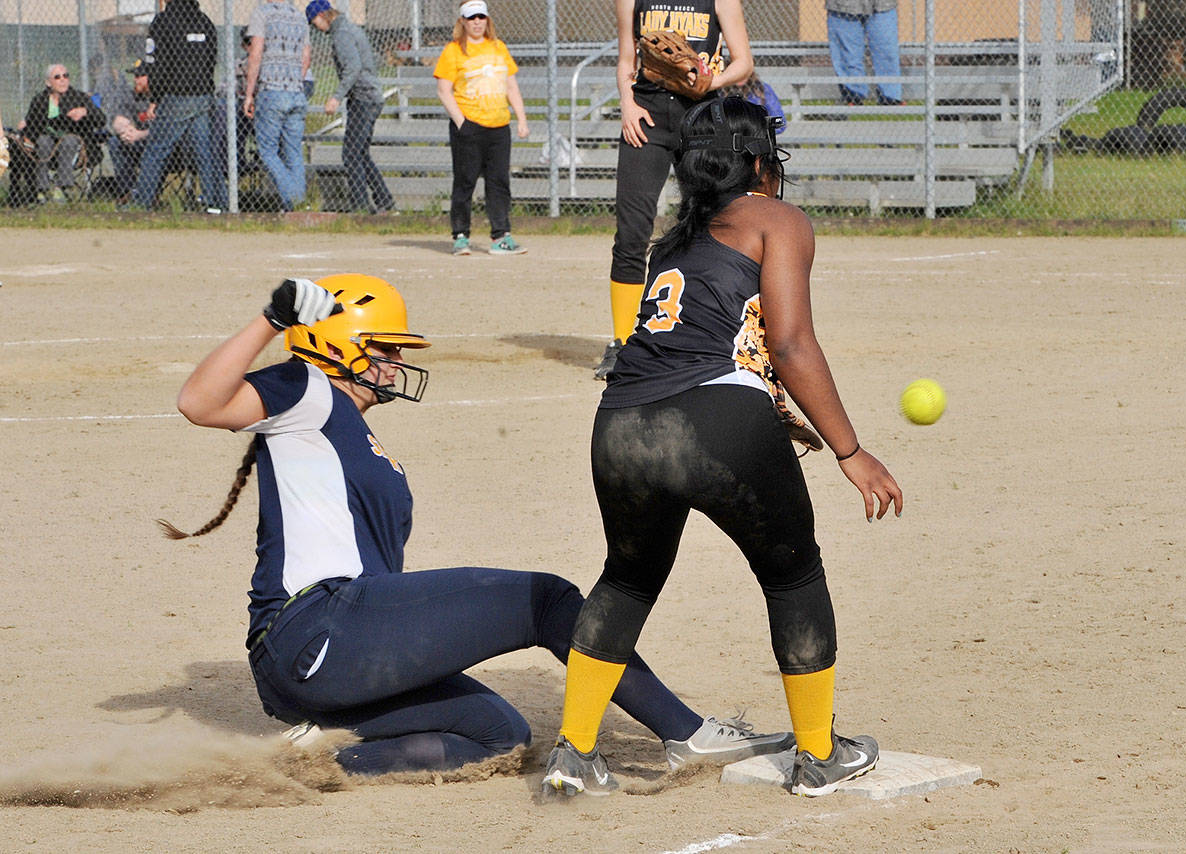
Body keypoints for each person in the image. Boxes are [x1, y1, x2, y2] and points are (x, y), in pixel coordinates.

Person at [162, 273, 793, 777]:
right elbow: (200, 402)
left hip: (322, 666)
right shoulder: (307, 390)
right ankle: (687, 733)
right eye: (383, 348)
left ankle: (321, 753)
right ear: (335, 345)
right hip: (317, 625)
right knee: (547, 600)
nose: (393, 362)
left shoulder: (349, 427)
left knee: (497, 735)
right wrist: (273, 322)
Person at [542, 98, 904, 799]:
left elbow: (698, 341)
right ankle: (820, 754)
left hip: (619, 422)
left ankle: (575, 752)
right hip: (714, 419)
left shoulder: (671, 241)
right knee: (794, 576)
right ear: (761, 162)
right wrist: (849, 450)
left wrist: (758, 403)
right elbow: (791, 342)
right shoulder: (777, 219)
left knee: (626, 579)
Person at [595, 0, 754, 381]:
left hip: (699, 119)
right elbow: (625, 61)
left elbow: (743, 62)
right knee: (631, 232)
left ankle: (705, 336)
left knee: (707, 230)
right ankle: (621, 343)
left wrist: (709, 82)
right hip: (645, 119)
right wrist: (627, 105)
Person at [433, 0, 530, 256]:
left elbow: (511, 86)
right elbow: (444, 91)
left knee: (499, 182)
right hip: (469, 126)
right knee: (465, 182)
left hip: (498, 125)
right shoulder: (453, 51)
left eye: (481, 17)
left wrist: (521, 118)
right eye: (471, 17)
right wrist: (461, 122)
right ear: (462, 22)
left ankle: (501, 236)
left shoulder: (498, 48)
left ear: (487, 20)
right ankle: (461, 235)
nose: (477, 22)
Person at [131, 0, 228, 213]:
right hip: (202, 94)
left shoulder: (163, 22)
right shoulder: (204, 21)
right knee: (205, 153)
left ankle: (142, 204)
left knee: (156, 150)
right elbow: (211, 60)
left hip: (177, 96)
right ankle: (217, 204)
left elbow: (158, 64)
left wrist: (155, 98)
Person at [306, 0, 396, 215]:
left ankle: (361, 206)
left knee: (351, 154)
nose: (316, 28)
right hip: (369, 96)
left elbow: (353, 67)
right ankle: (385, 201)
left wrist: (336, 97)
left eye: (314, 22)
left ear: (322, 16)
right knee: (361, 153)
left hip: (363, 98)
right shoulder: (348, 28)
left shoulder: (341, 34)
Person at [243, 0, 311, 212]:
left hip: (271, 90)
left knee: (268, 152)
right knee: (293, 152)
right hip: (296, 92)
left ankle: (294, 198)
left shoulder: (262, 13)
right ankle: (297, 205)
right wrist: (294, 81)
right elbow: (306, 57)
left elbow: (256, 54)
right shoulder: (299, 16)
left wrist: (249, 94)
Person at [18, 63, 105, 203]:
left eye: (66, 76)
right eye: (57, 77)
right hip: (48, 151)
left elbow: (101, 120)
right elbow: (31, 126)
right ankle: (43, 189)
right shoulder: (39, 100)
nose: (63, 79)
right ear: (48, 82)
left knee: (69, 140)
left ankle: (62, 186)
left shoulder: (79, 98)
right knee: (43, 141)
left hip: (77, 150)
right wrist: (25, 130)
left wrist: (85, 112)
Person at [826, 0, 903, 107]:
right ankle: (853, 96)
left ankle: (890, 98)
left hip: (882, 5)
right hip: (842, 6)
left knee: (887, 52)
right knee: (847, 55)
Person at [103, 58, 154, 202]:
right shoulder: (132, 95)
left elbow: (165, 130)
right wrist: (126, 129)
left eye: (140, 76)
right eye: (135, 76)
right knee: (115, 142)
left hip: (161, 146)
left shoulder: (164, 97)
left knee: (154, 145)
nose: (135, 80)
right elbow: (117, 119)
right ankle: (129, 191)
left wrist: (140, 134)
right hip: (138, 142)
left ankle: (148, 193)